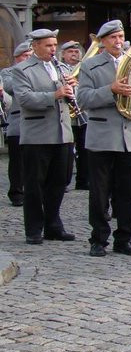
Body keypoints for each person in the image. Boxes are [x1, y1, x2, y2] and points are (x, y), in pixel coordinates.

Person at [78, 20, 131, 257]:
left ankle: (124, 238)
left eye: (121, 37)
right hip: (102, 136)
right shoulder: (90, 65)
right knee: (100, 192)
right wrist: (111, 89)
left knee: (127, 192)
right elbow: (83, 99)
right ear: (103, 41)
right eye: (113, 38)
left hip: (130, 136)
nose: (118, 42)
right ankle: (98, 239)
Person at [9, 29, 76, 245]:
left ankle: (53, 225)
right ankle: (33, 229)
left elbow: (73, 97)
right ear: (35, 46)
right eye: (48, 45)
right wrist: (54, 94)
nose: (53, 49)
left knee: (59, 182)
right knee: (35, 185)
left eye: (55, 45)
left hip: (62, 133)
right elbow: (25, 99)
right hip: (37, 134)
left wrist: (73, 90)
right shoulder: (22, 70)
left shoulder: (62, 67)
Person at [2, 41, 33, 206]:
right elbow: (10, 87)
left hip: (38, 124)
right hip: (18, 122)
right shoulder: (8, 72)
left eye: (30, 55)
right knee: (17, 162)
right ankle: (16, 193)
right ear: (16, 58)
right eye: (25, 56)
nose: (28, 58)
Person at [60, 40, 89, 191]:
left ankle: (83, 180)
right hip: (68, 116)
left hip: (83, 114)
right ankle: (63, 182)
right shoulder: (59, 68)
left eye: (76, 52)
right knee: (67, 151)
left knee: (85, 149)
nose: (74, 54)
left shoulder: (85, 68)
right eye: (70, 52)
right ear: (63, 55)